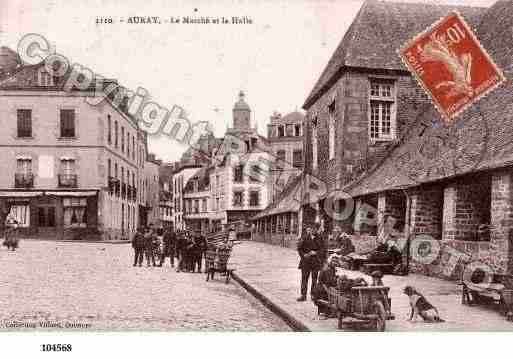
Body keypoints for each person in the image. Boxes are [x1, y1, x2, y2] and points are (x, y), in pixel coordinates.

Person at [297, 225, 326, 302]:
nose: (313, 230)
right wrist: (303, 255)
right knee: (304, 279)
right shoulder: (304, 237)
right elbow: (299, 249)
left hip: (315, 262)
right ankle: (303, 295)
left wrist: (316, 252)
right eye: (312, 229)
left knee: (314, 279)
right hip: (305, 262)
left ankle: (313, 295)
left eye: (315, 229)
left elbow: (323, 250)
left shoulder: (320, 238)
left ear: (317, 230)